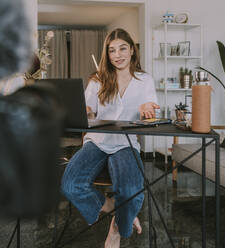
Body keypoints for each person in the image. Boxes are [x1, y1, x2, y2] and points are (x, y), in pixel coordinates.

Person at [61, 28, 159, 248]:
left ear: (132, 50)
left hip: (126, 144)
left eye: (122, 48)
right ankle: (118, 208)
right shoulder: (98, 79)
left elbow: (149, 105)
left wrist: (146, 108)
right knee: (70, 185)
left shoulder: (145, 80)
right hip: (97, 141)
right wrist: (84, 110)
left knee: (132, 193)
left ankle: (117, 228)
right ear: (108, 54)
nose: (118, 55)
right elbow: (88, 108)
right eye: (112, 50)